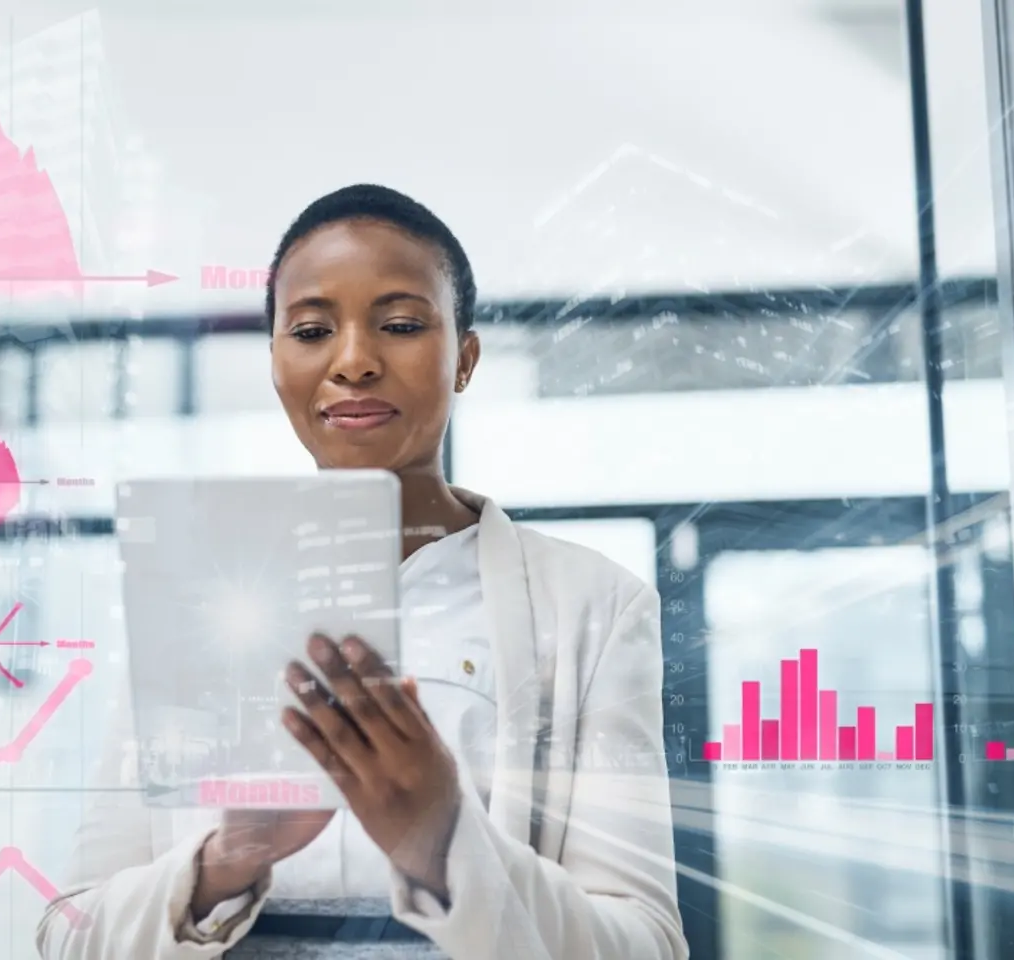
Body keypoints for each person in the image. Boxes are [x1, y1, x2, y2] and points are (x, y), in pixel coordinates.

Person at [35, 185, 687, 959]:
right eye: (311, 330)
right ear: (276, 359)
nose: (353, 362)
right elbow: (69, 935)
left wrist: (443, 840)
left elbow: (647, 946)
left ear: (465, 358)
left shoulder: (593, 606)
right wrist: (224, 861)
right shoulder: (193, 600)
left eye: (402, 325)